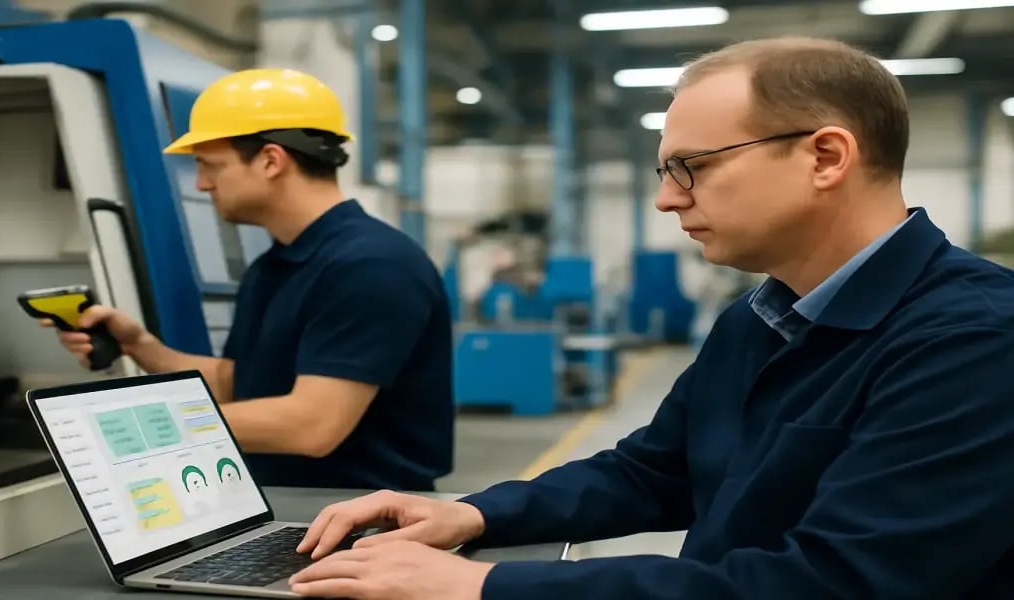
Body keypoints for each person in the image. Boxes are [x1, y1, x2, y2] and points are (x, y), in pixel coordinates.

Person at [287, 36, 1014, 599]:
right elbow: (651, 471)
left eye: (690, 166)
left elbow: (833, 583)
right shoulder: (759, 318)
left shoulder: (973, 341)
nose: (667, 200)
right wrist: (474, 515)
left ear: (825, 156)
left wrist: (483, 583)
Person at [48, 68, 455, 492]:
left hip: (367, 524)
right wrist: (140, 346)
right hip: (294, 511)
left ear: (270, 161)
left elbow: (311, 427)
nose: (202, 183)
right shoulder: (277, 265)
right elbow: (239, 383)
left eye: (209, 165)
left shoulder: (371, 266)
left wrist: (117, 425)